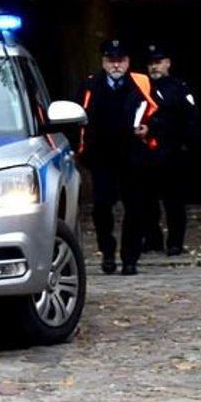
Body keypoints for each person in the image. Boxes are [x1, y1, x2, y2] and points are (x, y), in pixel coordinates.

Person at [76, 39, 157, 275]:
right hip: (102, 156)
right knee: (101, 207)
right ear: (103, 62)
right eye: (111, 60)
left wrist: (149, 129)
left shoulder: (141, 84)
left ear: (128, 62)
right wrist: (82, 150)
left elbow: (157, 112)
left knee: (135, 208)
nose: (116, 65)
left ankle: (130, 258)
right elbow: (78, 119)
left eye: (120, 60)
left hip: (132, 155)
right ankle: (108, 251)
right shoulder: (91, 85)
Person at [142, 44, 199, 256]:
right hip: (147, 152)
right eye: (151, 63)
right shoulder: (142, 86)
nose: (154, 67)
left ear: (167, 63)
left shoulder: (178, 87)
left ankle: (175, 241)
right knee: (147, 201)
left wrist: (186, 145)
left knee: (174, 201)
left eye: (158, 62)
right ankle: (153, 238)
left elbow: (191, 117)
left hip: (172, 151)